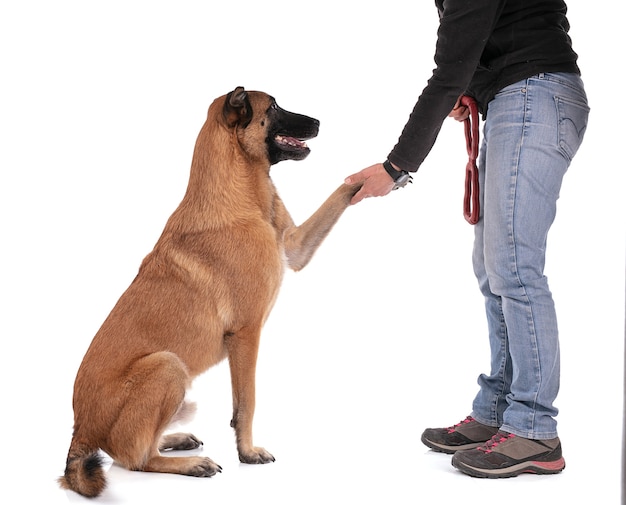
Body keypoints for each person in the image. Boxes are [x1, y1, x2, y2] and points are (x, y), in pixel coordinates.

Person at [345, 0, 589, 478]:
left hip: (534, 98)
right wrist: (476, 86)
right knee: (493, 268)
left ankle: (535, 430)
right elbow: (511, 27)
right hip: (518, 97)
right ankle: (500, 410)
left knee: (515, 268)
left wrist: (397, 168)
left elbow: (449, 69)